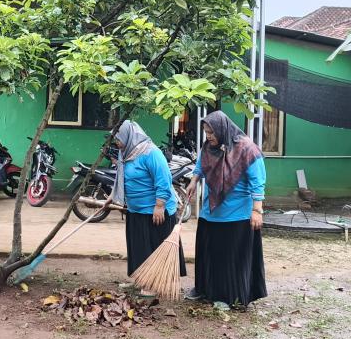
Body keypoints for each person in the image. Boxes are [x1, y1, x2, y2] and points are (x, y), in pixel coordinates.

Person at [184, 111, 267, 310]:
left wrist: (257, 210)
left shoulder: (246, 149)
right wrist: (194, 181)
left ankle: (230, 297)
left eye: (211, 132)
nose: (208, 136)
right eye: (206, 132)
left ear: (222, 129)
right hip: (210, 212)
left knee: (229, 258)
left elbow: (258, 181)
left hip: (236, 215)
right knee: (208, 254)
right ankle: (204, 289)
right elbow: (200, 165)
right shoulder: (208, 147)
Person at [108, 121, 186, 296]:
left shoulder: (151, 153)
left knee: (153, 247)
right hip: (136, 211)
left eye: (118, 139)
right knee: (139, 248)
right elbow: (121, 179)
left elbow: (164, 180)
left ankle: (153, 284)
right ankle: (142, 279)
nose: (117, 144)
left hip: (156, 212)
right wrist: (112, 197)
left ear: (129, 136)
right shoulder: (126, 153)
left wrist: (159, 205)